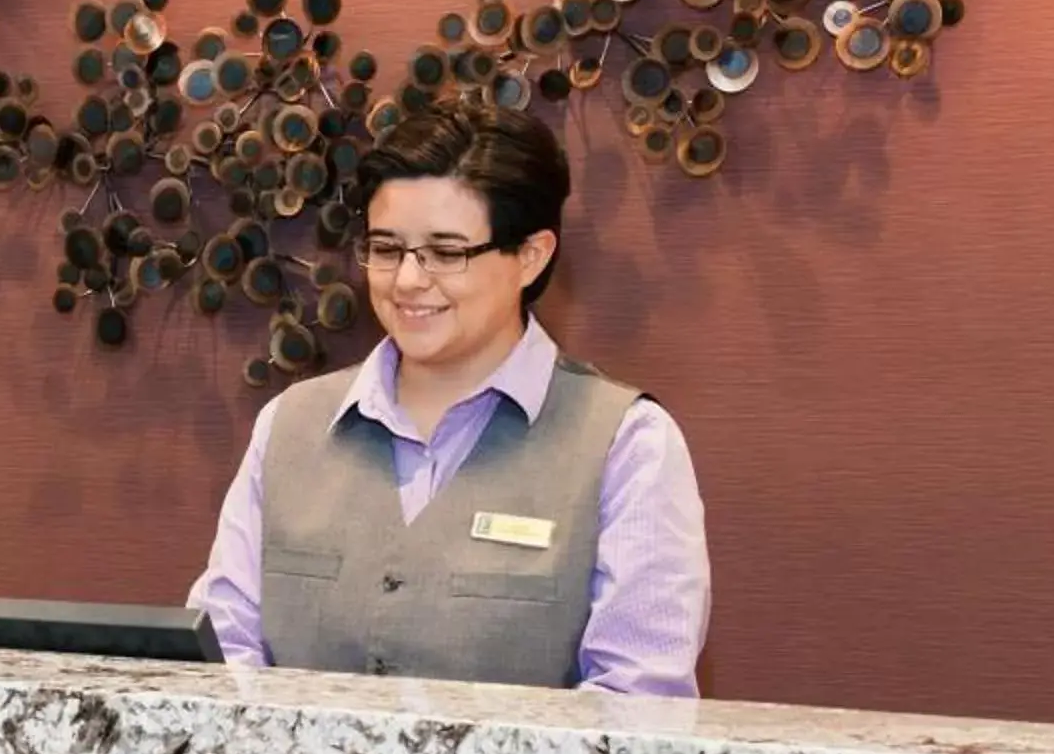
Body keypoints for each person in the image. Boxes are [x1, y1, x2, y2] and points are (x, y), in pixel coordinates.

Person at [188, 100, 708, 693]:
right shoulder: (288, 425)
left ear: (531, 256)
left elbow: (638, 702)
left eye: (447, 252)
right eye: (386, 249)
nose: (408, 280)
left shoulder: (626, 443)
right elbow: (224, 652)